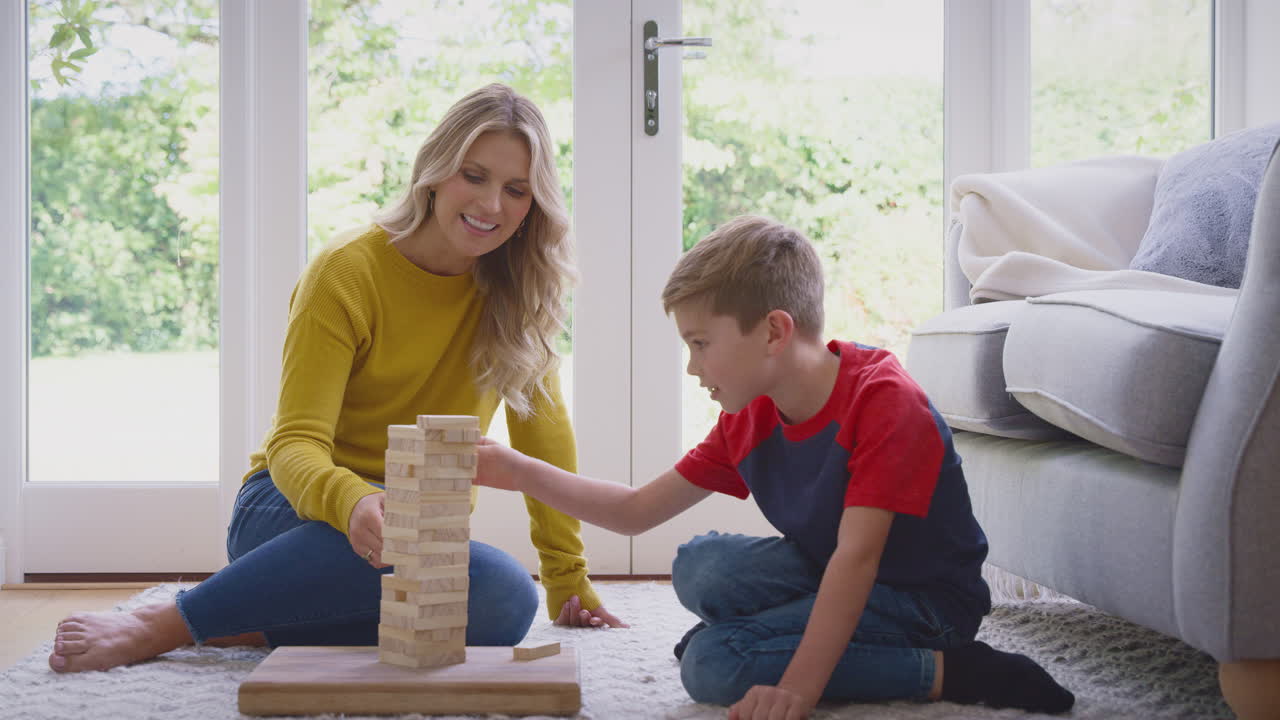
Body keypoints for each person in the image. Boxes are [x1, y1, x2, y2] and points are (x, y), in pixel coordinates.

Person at [48, 83, 624, 674]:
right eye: (472, 176)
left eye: (516, 189)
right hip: (294, 513)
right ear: (434, 172)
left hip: (411, 532)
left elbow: (543, 439)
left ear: (535, 204)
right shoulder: (347, 271)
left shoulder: (517, 295)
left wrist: (565, 576)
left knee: (505, 597)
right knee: (426, 564)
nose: (491, 205)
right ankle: (167, 622)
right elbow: (294, 444)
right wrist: (354, 503)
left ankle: (255, 623)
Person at [474, 215, 1075, 719]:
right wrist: (521, 469)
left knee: (714, 664)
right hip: (835, 569)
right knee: (699, 567)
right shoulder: (751, 415)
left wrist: (796, 688)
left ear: (773, 331)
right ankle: (776, 637)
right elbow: (635, 514)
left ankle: (947, 670)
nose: (692, 367)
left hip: (926, 603)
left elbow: (857, 559)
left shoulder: (886, 404)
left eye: (700, 343)